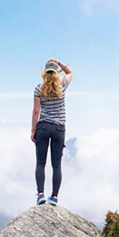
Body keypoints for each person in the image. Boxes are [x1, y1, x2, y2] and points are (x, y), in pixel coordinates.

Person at [31, 59, 73, 206]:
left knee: (40, 163)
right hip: (59, 129)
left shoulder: (38, 88)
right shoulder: (62, 86)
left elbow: (36, 111)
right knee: (56, 165)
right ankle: (54, 197)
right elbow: (70, 72)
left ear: (44, 74)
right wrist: (59, 62)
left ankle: (40, 194)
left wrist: (33, 130)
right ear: (56, 74)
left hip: (43, 127)